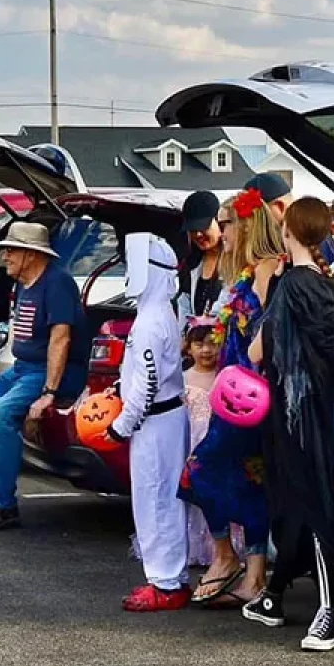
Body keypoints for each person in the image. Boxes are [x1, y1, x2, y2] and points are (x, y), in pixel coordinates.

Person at [243, 197, 334, 651]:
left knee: (307, 502)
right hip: (321, 408)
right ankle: (274, 596)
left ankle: (330, 614)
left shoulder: (288, 286)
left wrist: (264, 297)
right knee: (299, 501)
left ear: (287, 232)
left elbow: (257, 352)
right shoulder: (332, 285)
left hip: (290, 411)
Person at [0, 222, 90, 533]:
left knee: (0, 414)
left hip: (48, 371)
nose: (5, 256)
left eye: (11, 250)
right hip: (23, 367)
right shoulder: (24, 283)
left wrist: (49, 392)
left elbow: (61, 339)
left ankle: (1, 506)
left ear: (31, 254)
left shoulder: (58, 283)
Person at [179, 189, 284, 607]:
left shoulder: (270, 268)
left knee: (200, 470)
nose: (221, 232)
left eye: (227, 224)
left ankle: (228, 559)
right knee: (248, 481)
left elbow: (270, 330)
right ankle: (251, 573)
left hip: (251, 398)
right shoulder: (244, 271)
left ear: (247, 225)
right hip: (232, 396)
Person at [108, 233, 191, 613]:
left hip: (156, 423)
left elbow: (148, 383)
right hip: (162, 419)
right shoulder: (158, 314)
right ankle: (167, 576)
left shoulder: (150, 321)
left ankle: (166, 582)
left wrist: (121, 426)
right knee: (160, 499)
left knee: (156, 501)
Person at [182, 316, 240, 569]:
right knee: (195, 494)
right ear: (188, 347)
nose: (206, 350)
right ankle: (195, 545)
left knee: (223, 492)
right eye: (199, 344)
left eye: (212, 343)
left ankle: (227, 548)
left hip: (221, 443)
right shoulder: (182, 378)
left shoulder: (226, 376)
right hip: (192, 443)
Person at [245, 174, 334, 272]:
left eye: (256, 217)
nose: (249, 226)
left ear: (280, 207)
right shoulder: (313, 230)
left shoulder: (304, 241)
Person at [178, 190, 224, 320]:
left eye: (203, 227)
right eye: (192, 230)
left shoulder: (236, 262)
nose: (198, 234)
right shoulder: (191, 265)